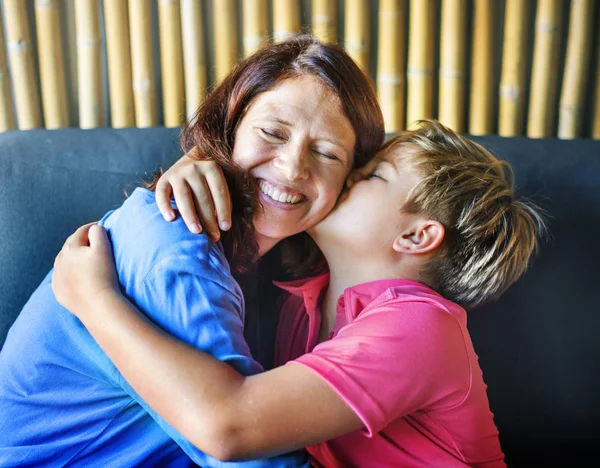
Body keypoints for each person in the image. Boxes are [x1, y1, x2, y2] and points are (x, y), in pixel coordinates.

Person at [52, 120, 546, 467]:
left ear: (416, 237)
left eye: (373, 176)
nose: (346, 176)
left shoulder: (421, 327)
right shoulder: (302, 290)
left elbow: (230, 429)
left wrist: (95, 300)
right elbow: (255, 198)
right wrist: (196, 166)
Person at [0, 35, 384, 467]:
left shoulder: (279, 263)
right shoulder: (179, 251)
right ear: (229, 127)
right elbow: (247, 454)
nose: (293, 167)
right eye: (272, 133)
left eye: (327, 153)